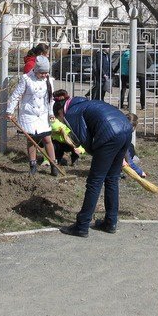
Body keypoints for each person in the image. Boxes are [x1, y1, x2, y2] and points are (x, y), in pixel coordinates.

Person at [55, 96, 134, 237]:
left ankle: (82, 225)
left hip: (109, 134)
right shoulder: (86, 104)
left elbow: (83, 140)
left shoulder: (72, 113)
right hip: (126, 129)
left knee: (94, 181)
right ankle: (110, 222)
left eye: (60, 119)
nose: (63, 123)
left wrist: (98, 154)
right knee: (112, 179)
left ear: (61, 112)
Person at [6, 55, 59, 175]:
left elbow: (50, 99)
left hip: (43, 114)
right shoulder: (26, 79)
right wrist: (10, 111)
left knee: (47, 139)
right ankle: (33, 165)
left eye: (46, 72)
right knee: (32, 140)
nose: (44, 75)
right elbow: (16, 95)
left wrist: (51, 113)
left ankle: (53, 164)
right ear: (36, 69)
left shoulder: (49, 80)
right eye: (42, 73)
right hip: (29, 114)